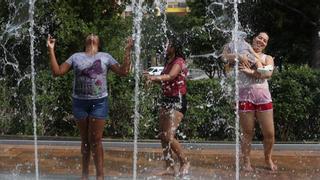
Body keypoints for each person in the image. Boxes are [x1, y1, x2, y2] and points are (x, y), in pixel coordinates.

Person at [47, 34, 133, 180]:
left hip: (99, 102)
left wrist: (127, 51)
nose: (92, 35)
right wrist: (51, 49)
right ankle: (84, 175)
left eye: (95, 35)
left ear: (99, 43)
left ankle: (100, 176)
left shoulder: (105, 56)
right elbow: (57, 72)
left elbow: (124, 72)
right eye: (89, 35)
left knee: (96, 140)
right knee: (85, 140)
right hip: (80, 103)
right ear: (85, 41)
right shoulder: (75, 57)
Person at [222, 32, 277, 171]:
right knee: (247, 132)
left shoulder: (267, 57)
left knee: (269, 133)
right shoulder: (242, 52)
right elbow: (224, 56)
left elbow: (268, 74)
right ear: (254, 38)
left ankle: (267, 158)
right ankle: (246, 162)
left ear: (266, 44)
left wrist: (249, 72)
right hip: (244, 96)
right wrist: (239, 56)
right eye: (260, 37)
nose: (261, 41)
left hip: (263, 96)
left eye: (265, 40)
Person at [146, 36, 190, 177]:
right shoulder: (168, 61)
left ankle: (185, 161)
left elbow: (171, 76)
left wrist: (154, 77)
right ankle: (170, 166)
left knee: (169, 136)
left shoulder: (179, 61)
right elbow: (166, 81)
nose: (165, 46)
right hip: (166, 99)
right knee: (162, 135)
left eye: (168, 44)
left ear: (175, 47)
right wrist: (153, 80)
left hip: (177, 100)